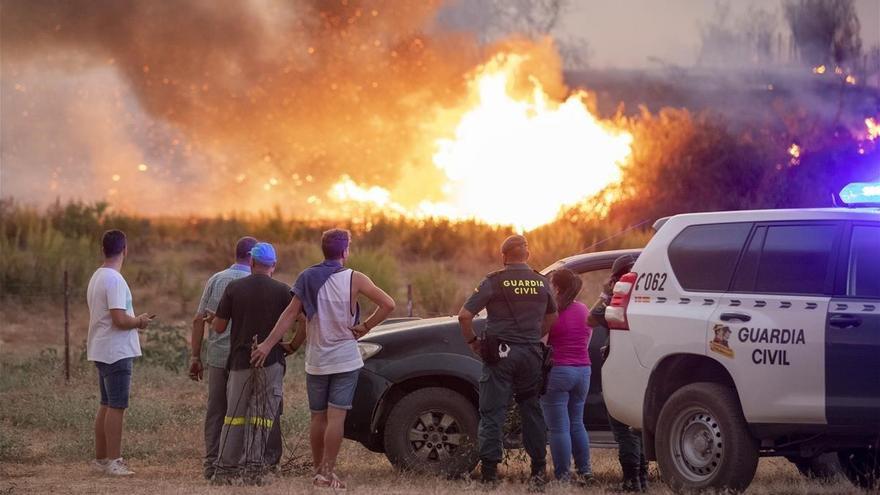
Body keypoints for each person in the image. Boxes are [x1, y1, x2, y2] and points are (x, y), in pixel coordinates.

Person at [253, 228, 395, 491]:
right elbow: (388, 304)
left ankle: (319, 473)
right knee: (336, 418)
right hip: (345, 359)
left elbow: (290, 315)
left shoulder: (307, 276)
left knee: (318, 418)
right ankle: (327, 474)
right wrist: (365, 326)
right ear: (344, 251)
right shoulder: (355, 278)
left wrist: (267, 345)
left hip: (316, 360)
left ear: (323, 249)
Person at [458, 234, 558, 491]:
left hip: (499, 355)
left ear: (504, 257)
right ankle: (537, 471)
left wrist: (472, 343)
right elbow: (552, 316)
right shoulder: (541, 281)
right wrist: (534, 337)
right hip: (531, 355)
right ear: (528, 255)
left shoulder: (494, 281)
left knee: (492, 412)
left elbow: (464, 316)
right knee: (531, 411)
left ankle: (490, 473)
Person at [189, 236, 289, 480]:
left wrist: (213, 322)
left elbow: (217, 326)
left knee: (228, 415)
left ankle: (220, 468)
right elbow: (301, 319)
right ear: (273, 265)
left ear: (253, 261)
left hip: (235, 361)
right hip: (268, 361)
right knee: (262, 416)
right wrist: (292, 346)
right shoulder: (283, 290)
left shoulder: (227, 284)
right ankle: (255, 468)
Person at [86, 229, 154, 476]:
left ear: (102, 249)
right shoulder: (114, 279)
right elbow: (119, 319)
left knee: (105, 404)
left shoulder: (97, 276)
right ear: (125, 249)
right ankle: (114, 461)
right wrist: (140, 321)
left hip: (101, 347)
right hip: (116, 350)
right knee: (116, 406)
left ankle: (102, 459)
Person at [588, 253, 648, 492]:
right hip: (644, 366)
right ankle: (642, 479)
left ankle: (631, 482)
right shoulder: (650, 298)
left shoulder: (618, 301)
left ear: (616, 278)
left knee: (622, 426)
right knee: (640, 425)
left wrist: (606, 292)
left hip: (621, 366)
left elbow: (591, 319)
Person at [541, 268, 593, 484]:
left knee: (558, 427)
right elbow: (587, 341)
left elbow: (541, 345)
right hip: (583, 371)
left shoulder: (551, 312)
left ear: (557, 287)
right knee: (577, 423)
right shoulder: (583, 310)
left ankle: (563, 476)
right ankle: (585, 470)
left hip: (558, 371)